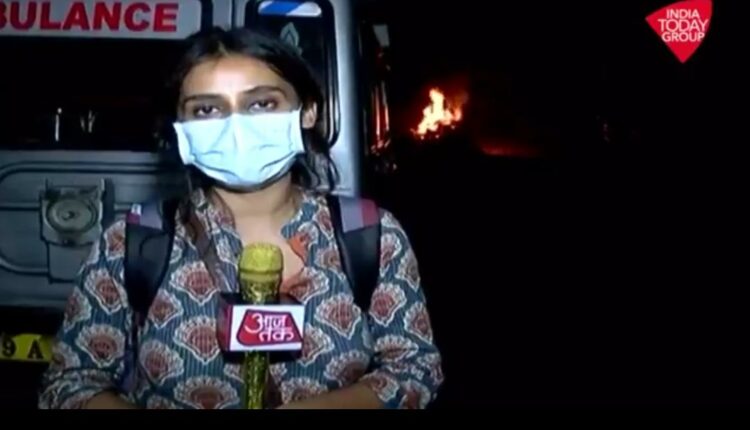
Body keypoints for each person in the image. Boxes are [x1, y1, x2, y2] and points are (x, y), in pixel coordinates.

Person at [37, 27, 443, 409]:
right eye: (207, 109)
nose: (236, 127)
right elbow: (70, 384)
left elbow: (414, 369)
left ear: (307, 112)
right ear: (180, 130)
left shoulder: (369, 235)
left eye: (262, 104)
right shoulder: (134, 242)